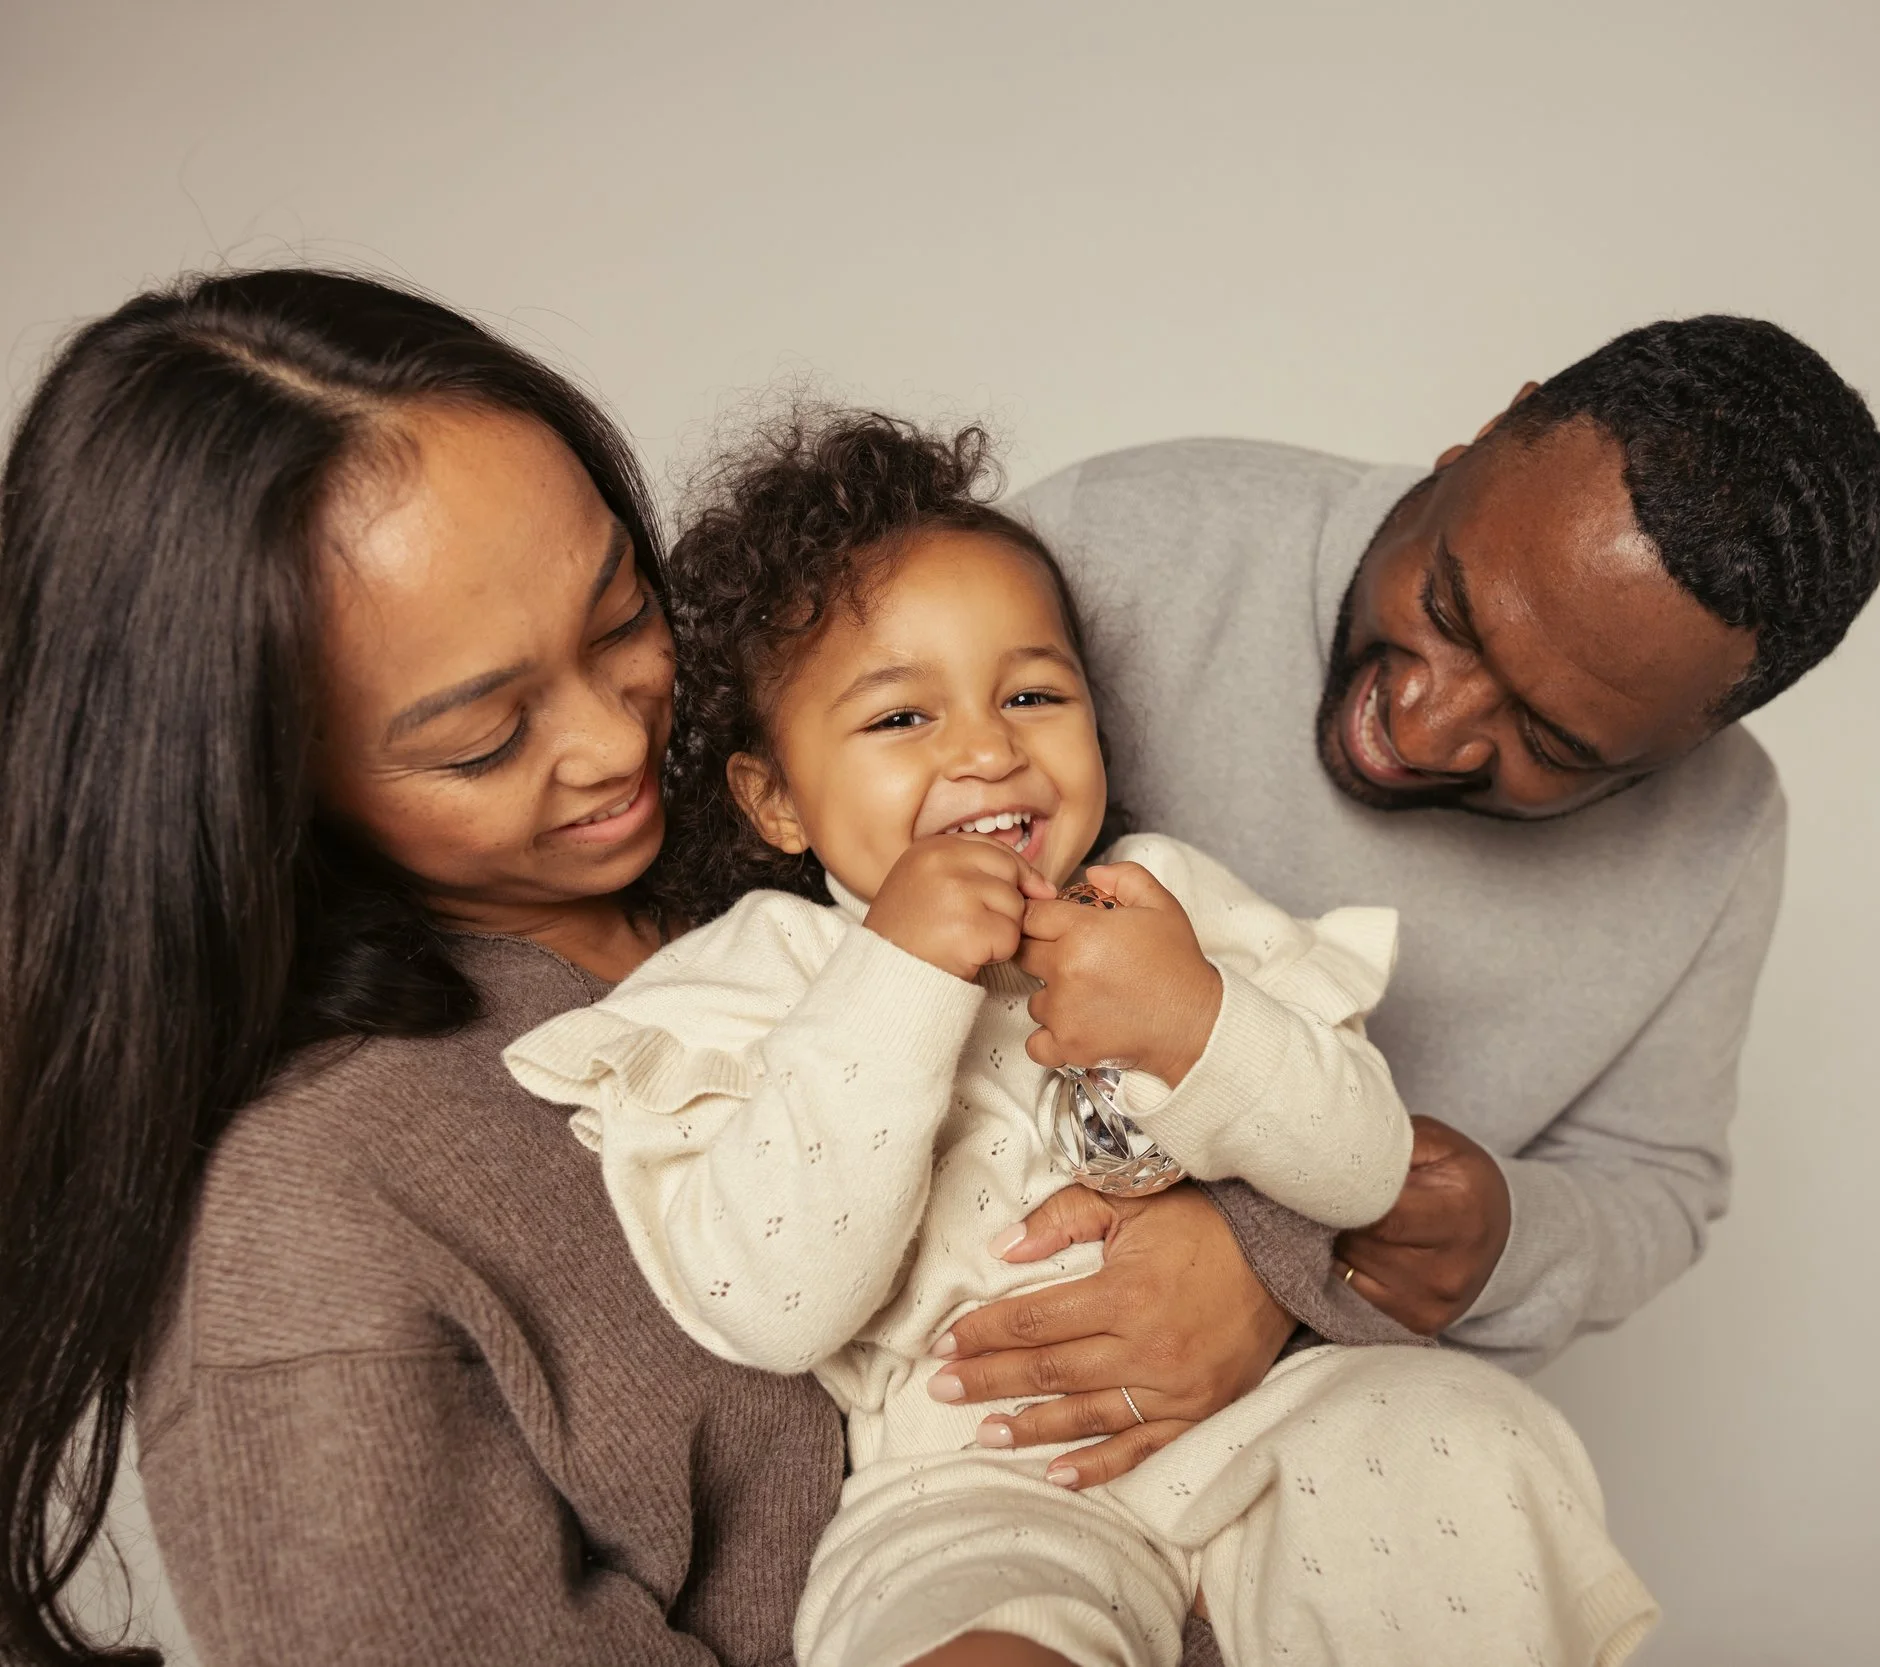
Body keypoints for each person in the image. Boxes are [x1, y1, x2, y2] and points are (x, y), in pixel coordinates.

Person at [0, 271, 1405, 1667]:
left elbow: (1251, 1095)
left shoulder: (803, 846)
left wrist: (1255, 1265)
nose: (617, 745)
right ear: (256, 784)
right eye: (486, 734)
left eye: (621, 617)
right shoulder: (308, 1224)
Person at [503, 410, 1659, 1667]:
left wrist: (1198, 1016)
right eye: (901, 719)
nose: (989, 746)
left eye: (1033, 694)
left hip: (1270, 1412)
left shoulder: (1168, 902)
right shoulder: (751, 976)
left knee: (1466, 1440)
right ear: (773, 796)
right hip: (973, 1468)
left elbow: (1364, 1165)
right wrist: (897, 975)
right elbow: (774, 1304)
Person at [983, 318, 1880, 1384]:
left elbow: (1653, 1179)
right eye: (1450, 605)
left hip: (1322, 1416)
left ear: (1685, 749)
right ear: (1482, 438)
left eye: (1551, 741)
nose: (1419, 727)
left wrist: (1504, 1234)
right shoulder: (1120, 542)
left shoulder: (1721, 830)